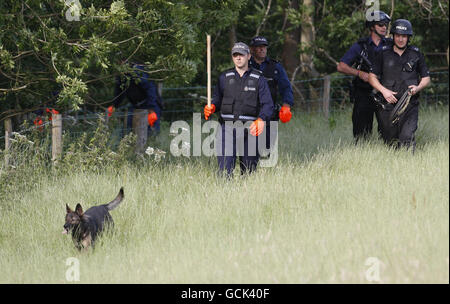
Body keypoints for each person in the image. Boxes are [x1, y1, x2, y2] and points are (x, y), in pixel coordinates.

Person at [204, 42, 274, 177]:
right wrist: (211, 106)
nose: (238, 57)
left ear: (248, 56)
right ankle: (224, 195)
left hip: (251, 129)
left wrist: (261, 119)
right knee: (224, 170)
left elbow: (268, 104)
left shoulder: (259, 78)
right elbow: (217, 100)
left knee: (248, 172)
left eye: (241, 54)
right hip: (227, 128)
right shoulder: (224, 77)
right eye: (235, 55)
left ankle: (246, 196)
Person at [368, 19, 431, 151]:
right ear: (393, 36)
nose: (401, 39)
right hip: (387, 106)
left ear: (408, 37)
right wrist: (384, 91)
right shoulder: (383, 53)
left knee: (407, 137)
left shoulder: (416, 54)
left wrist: (417, 88)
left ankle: (410, 167)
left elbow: (426, 78)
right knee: (389, 141)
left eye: (404, 36)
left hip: (409, 105)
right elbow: (371, 77)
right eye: (398, 36)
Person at [337, 11, 392, 142]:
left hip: (385, 92)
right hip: (364, 93)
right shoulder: (360, 46)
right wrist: (359, 73)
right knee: (361, 133)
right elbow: (341, 66)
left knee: (388, 131)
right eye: (380, 24)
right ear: (372, 27)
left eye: (386, 24)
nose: (384, 27)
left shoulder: (391, 44)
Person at [248, 36, 294, 152]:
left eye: (264, 47)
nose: (262, 49)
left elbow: (286, 87)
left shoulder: (275, 67)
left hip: (270, 113)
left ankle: (265, 168)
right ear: (252, 49)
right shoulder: (246, 66)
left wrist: (286, 106)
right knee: (249, 148)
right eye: (259, 47)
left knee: (267, 148)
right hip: (249, 112)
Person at [108, 63, 160, 134]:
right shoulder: (121, 76)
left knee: (151, 132)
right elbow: (119, 91)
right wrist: (114, 106)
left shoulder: (137, 71)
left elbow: (150, 89)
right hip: (135, 105)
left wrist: (151, 109)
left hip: (148, 105)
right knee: (129, 130)